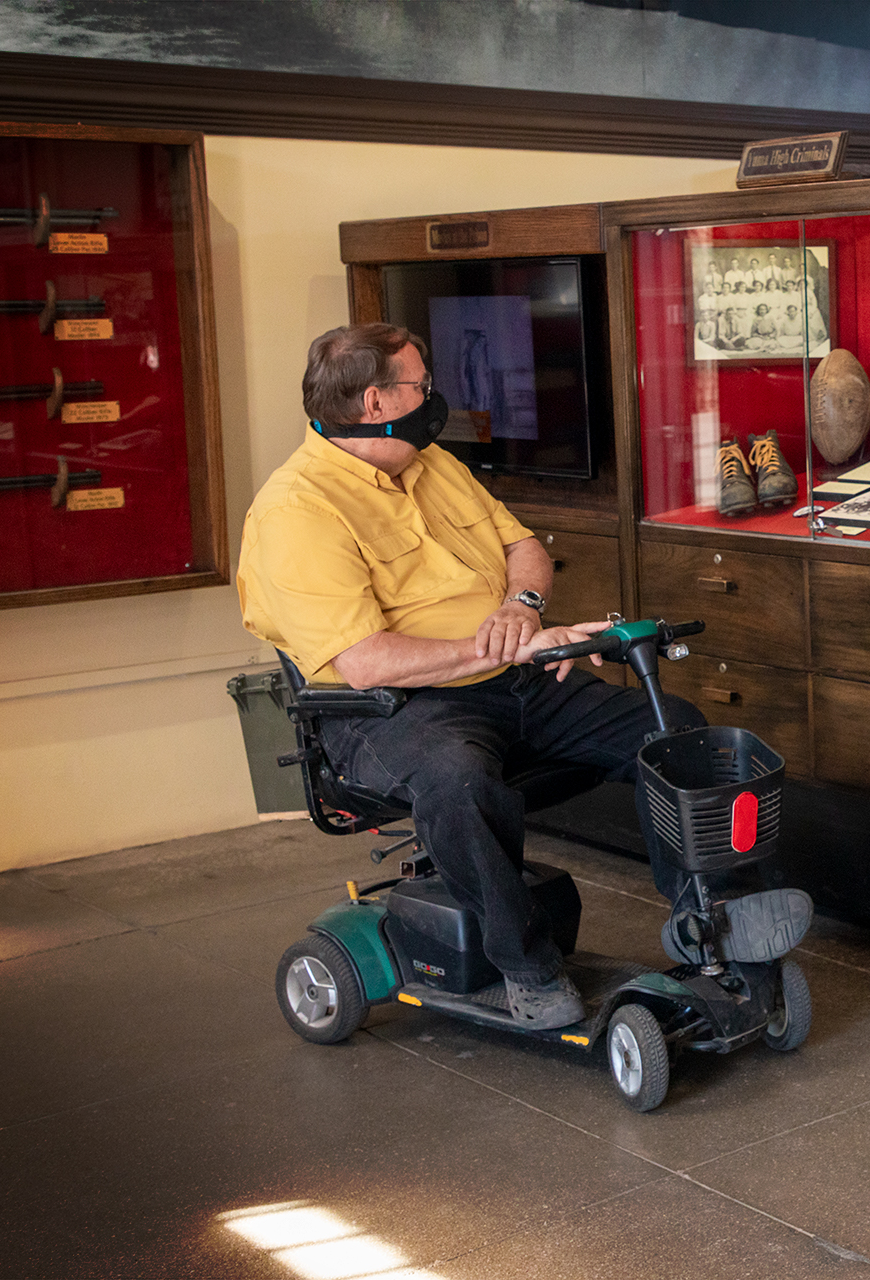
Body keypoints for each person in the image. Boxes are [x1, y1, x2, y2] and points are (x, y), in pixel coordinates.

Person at [237, 324, 810, 1028]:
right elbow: (366, 661)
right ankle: (528, 969)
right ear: (376, 398)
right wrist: (512, 648)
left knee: (677, 734)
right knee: (459, 783)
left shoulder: (429, 462)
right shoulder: (296, 512)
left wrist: (522, 606)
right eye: (420, 384)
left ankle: (712, 929)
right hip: (390, 711)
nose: (433, 397)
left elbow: (523, 546)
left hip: (514, 684)